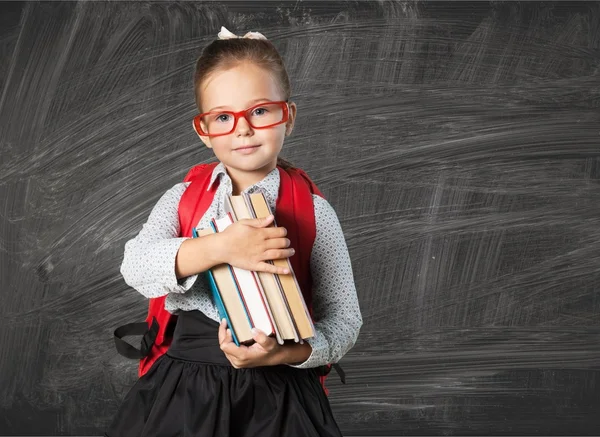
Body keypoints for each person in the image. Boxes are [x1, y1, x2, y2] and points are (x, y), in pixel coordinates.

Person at [105, 25, 363, 437]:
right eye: (223, 117)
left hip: (281, 395)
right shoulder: (184, 198)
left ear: (288, 117)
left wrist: (285, 353)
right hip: (186, 391)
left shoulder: (315, 213)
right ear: (204, 131)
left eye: (260, 111)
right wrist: (222, 247)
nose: (242, 129)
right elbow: (135, 267)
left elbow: (345, 320)